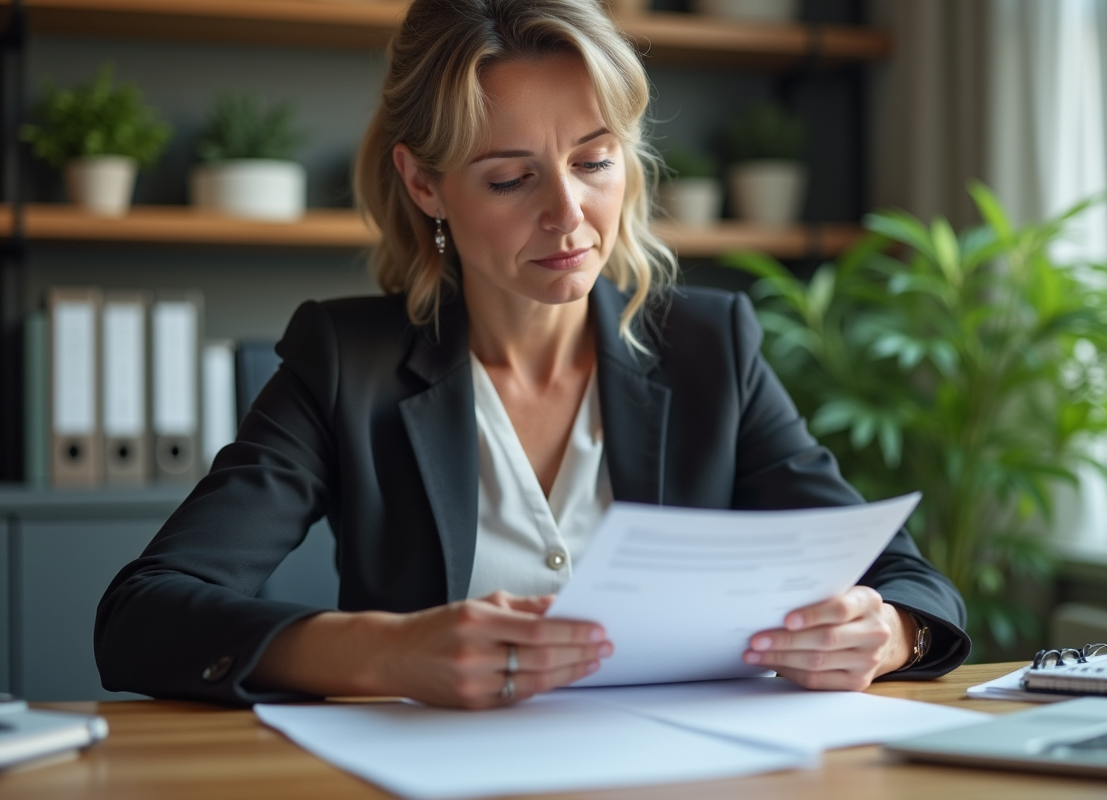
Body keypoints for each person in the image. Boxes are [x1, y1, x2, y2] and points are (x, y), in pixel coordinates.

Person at [95, 0, 969, 709]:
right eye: (511, 179)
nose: (570, 214)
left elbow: (906, 580)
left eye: (594, 161)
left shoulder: (712, 346)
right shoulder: (341, 363)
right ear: (424, 182)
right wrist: (388, 653)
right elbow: (141, 616)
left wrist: (890, 630)